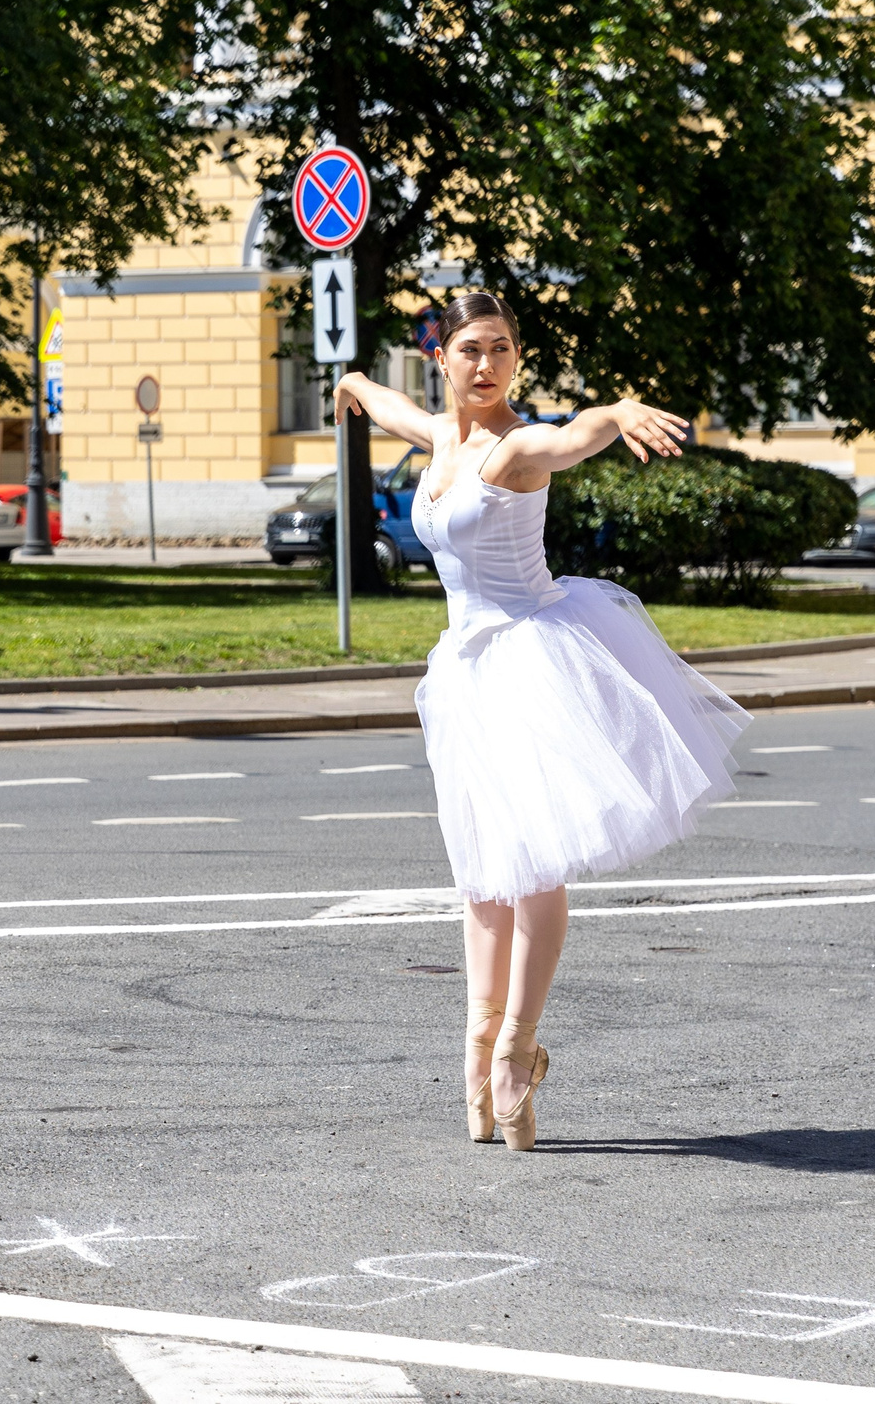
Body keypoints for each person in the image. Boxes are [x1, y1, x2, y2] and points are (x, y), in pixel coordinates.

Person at [335, 291, 751, 1152]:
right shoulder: (443, 438)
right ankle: (478, 1052)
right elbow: (392, 406)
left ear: (516, 360)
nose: (486, 365)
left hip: (532, 658)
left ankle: (518, 1052)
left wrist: (618, 411)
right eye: (470, 351)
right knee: (482, 872)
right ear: (442, 359)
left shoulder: (516, 447)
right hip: (466, 674)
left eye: (501, 350)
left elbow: (574, 434)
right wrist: (352, 384)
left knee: (533, 869)